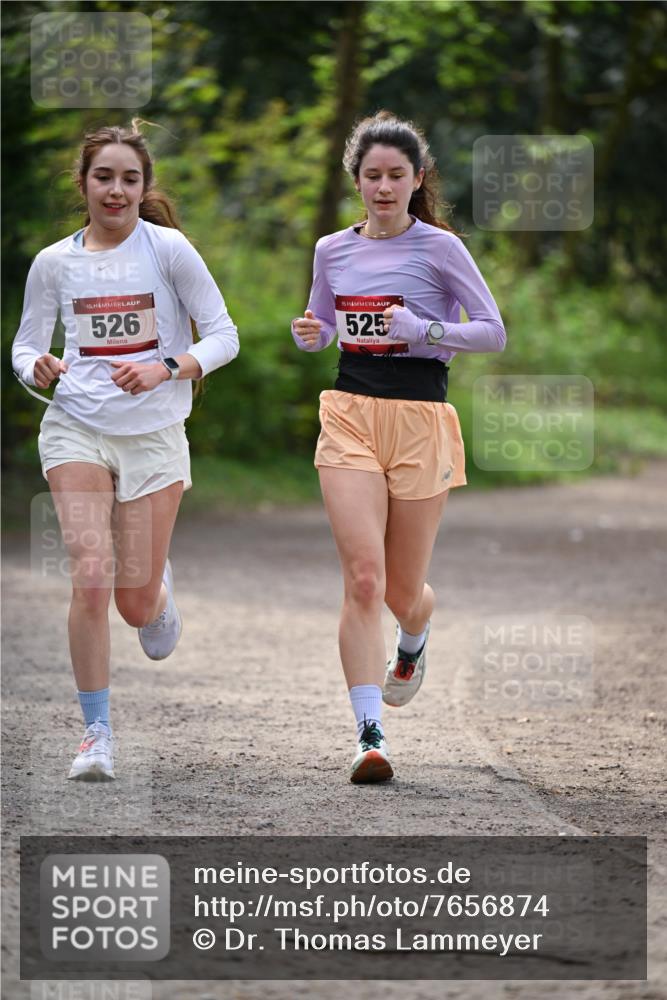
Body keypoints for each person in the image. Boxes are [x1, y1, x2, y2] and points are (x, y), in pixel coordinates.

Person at [11, 121, 239, 781]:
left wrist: (166, 367)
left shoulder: (168, 251)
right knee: (90, 572)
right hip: (76, 426)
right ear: (83, 183)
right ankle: (96, 734)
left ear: (144, 187)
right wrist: (36, 367)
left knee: (132, 603)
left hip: (154, 434)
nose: (116, 190)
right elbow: (26, 345)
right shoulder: (54, 263)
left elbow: (223, 336)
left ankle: (157, 592)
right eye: (104, 177)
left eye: (129, 179)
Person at [291, 111, 506, 784]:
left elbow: (492, 331)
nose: (383, 187)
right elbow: (326, 321)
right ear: (355, 180)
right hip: (349, 413)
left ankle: (414, 634)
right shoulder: (332, 250)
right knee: (363, 578)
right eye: (371, 176)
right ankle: (368, 736)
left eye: (395, 175)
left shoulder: (440, 248)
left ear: (417, 179)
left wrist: (425, 329)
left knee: (402, 592)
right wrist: (313, 333)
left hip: (420, 418)